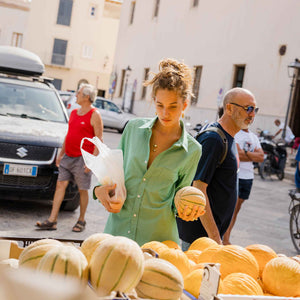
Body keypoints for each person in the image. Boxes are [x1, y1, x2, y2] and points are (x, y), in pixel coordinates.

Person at [93, 58, 202, 246]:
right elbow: (113, 175)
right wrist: (99, 190)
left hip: (158, 242)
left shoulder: (193, 150)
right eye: (160, 105)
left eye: (173, 106)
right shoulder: (133, 129)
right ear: (154, 101)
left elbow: (179, 197)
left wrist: (188, 207)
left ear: (184, 105)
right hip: (116, 235)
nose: (165, 113)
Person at [177, 87, 259, 249]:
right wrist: (215, 239)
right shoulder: (213, 139)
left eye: (255, 109)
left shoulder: (229, 137)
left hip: (209, 237)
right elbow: (198, 190)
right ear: (229, 108)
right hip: (200, 238)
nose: (252, 114)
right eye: (248, 109)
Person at [36, 83, 104, 232]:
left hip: (83, 158)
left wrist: (92, 162)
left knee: (82, 190)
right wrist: (61, 154)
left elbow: (99, 139)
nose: (76, 96)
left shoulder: (94, 114)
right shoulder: (73, 113)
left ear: (86, 97)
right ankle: (52, 220)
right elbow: (69, 135)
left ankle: (81, 220)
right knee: (60, 185)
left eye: (78, 93)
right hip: (68, 156)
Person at [222, 128, 264, 245]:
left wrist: (245, 153)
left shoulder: (254, 137)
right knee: (231, 209)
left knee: (236, 209)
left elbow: (261, 157)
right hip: (237, 175)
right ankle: (225, 239)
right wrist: (251, 154)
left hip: (248, 177)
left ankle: (226, 237)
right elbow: (237, 155)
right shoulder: (236, 134)